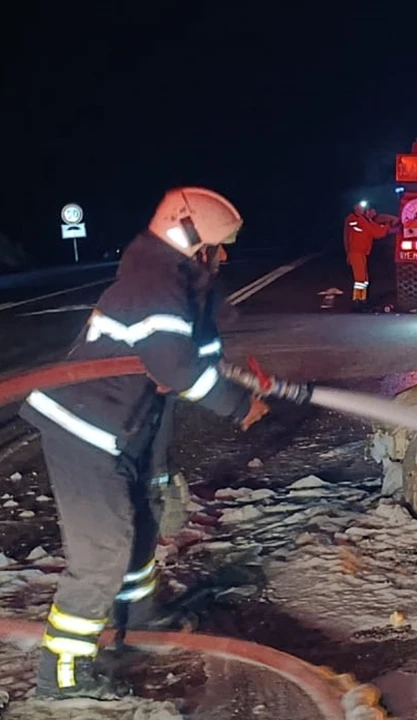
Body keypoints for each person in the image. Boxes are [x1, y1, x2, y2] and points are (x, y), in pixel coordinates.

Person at [18, 187, 271, 700]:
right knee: (103, 551)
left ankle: (136, 620)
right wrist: (238, 405)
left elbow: (194, 359)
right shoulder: (154, 283)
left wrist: (234, 383)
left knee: (140, 527)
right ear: (189, 236)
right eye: (216, 247)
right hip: (84, 431)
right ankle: (62, 674)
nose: (223, 257)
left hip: (123, 430)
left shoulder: (177, 284)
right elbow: (176, 368)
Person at [343, 203, 396, 311]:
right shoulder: (355, 219)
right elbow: (374, 232)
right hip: (356, 253)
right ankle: (357, 301)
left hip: (361, 253)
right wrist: (388, 226)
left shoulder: (363, 220)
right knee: (360, 279)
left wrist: (386, 226)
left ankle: (362, 300)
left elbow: (374, 228)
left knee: (364, 279)